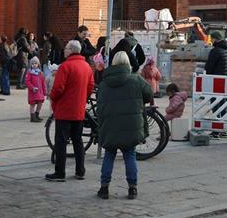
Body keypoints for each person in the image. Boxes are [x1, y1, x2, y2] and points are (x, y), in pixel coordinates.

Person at [96, 51, 154, 200]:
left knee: (109, 155)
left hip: (110, 125)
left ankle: (104, 188)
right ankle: (132, 188)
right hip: (131, 125)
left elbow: (99, 103)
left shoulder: (104, 83)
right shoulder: (136, 80)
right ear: (128, 63)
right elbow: (149, 94)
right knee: (130, 155)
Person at [46, 40, 95, 183]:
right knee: (77, 141)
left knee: (61, 142)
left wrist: (52, 97)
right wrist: (82, 98)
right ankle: (80, 171)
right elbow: (90, 86)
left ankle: (60, 173)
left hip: (64, 110)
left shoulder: (65, 66)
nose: (64, 50)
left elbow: (58, 88)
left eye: (66, 48)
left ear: (72, 50)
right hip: (78, 110)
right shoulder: (86, 66)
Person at [26, 57, 47, 122]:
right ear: (30, 65)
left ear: (38, 64)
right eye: (32, 63)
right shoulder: (30, 73)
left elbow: (43, 83)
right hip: (33, 92)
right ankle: (32, 117)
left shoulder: (40, 73)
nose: (34, 65)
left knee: (40, 103)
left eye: (35, 63)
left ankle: (36, 114)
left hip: (40, 92)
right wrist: (32, 87)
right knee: (32, 104)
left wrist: (44, 91)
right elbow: (27, 82)